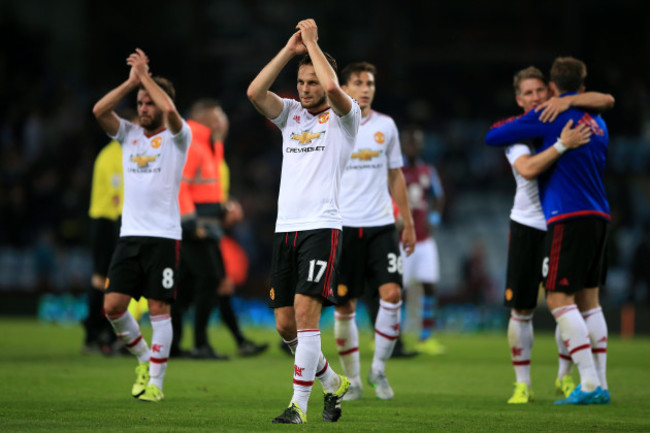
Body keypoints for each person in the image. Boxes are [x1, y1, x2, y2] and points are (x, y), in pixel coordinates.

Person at [247, 19, 360, 423]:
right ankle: (333, 382)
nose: (306, 88)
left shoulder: (348, 118)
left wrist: (313, 43)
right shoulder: (291, 114)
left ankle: (298, 405)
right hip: (285, 230)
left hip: (322, 227)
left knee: (307, 317)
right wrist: (290, 50)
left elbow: (334, 89)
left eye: (312, 81)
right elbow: (254, 92)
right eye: (302, 81)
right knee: (284, 325)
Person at [486, 57, 613, 405]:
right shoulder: (524, 130)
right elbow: (525, 168)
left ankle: (569, 379)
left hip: (563, 221)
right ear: (519, 99)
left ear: (551, 91)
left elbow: (605, 100)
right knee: (524, 309)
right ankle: (523, 383)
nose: (536, 96)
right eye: (528, 92)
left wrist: (567, 106)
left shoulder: (555, 118)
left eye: (541, 90)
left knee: (566, 301)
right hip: (530, 224)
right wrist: (561, 144)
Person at [92, 48, 191, 402]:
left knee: (159, 309)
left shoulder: (179, 137)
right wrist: (132, 82)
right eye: (140, 102)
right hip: (129, 236)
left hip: (164, 237)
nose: (144, 108)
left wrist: (146, 76)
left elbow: (171, 112)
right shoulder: (129, 134)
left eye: (150, 102)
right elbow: (100, 111)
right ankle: (144, 359)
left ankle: (157, 385)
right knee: (113, 307)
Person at [332, 61, 415, 401]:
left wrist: (407, 221)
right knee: (344, 306)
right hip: (344, 227)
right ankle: (352, 380)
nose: (366, 88)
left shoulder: (387, 126)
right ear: (345, 88)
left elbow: (396, 175)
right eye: (358, 82)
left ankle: (378, 368)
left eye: (370, 83)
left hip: (381, 224)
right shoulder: (333, 124)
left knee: (392, 295)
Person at [172, 99, 267, 359]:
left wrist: (224, 208)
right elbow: (181, 186)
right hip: (194, 228)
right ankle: (200, 343)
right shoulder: (193, 144)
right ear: (208, 121)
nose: (224, 123)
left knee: (189, 286)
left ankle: (176, 344)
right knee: (210, 280)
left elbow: (203, 189)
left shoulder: (209, 146)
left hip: (208, 226)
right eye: (219, 118)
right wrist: (190, 223)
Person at [83, 108, 137, 356]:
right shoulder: (114, 155)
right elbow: (119, 196)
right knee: (104, 279)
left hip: (112, 219)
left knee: (107, 279)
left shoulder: (115, 153)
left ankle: (101, 332)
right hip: (108, 221)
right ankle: (95, 332)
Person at [400, 126, 447, 355]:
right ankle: (392, 336)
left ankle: (425, 337)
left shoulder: (428, 170)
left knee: (429, 286)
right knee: (396, 290)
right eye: (409, 142)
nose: (412, 146)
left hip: (425, 239)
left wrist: (435, 217)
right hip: (402, 240)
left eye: (416, 142)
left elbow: (439, 196)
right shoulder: (394, 169)